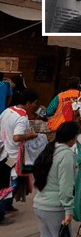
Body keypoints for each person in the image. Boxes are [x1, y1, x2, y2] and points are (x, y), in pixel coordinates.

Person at [32, 121, 79, 237]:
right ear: (72, 138)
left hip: (40, 205)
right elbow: (66, 186)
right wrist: (69, 210)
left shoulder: (50, 149)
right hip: (55, 209)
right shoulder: (66, 155)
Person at [0, 89, 40, 224]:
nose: (35, 105)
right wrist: (31, 136)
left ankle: (7, 205)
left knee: (10, 181)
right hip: (13, 156)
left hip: (4, 152)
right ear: (28, 103)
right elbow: (17, 137)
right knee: (11, 184)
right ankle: (1, 213)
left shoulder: (8, 111)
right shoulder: (22, 118)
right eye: (34, 103)